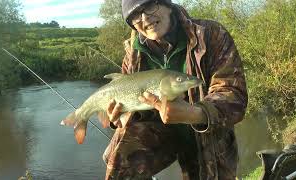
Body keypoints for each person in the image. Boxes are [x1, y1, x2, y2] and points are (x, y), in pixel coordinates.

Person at [103, 0, 248, 179]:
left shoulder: (210, 34)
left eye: (149, 6)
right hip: (160, 138)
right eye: (134, 15)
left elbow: (234, 94)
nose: (144, 18)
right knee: (119, 152)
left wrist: (194, 114)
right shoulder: (133, 55)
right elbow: (132, 112)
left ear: (167, 5)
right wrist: (119, 116)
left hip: (209, 140)